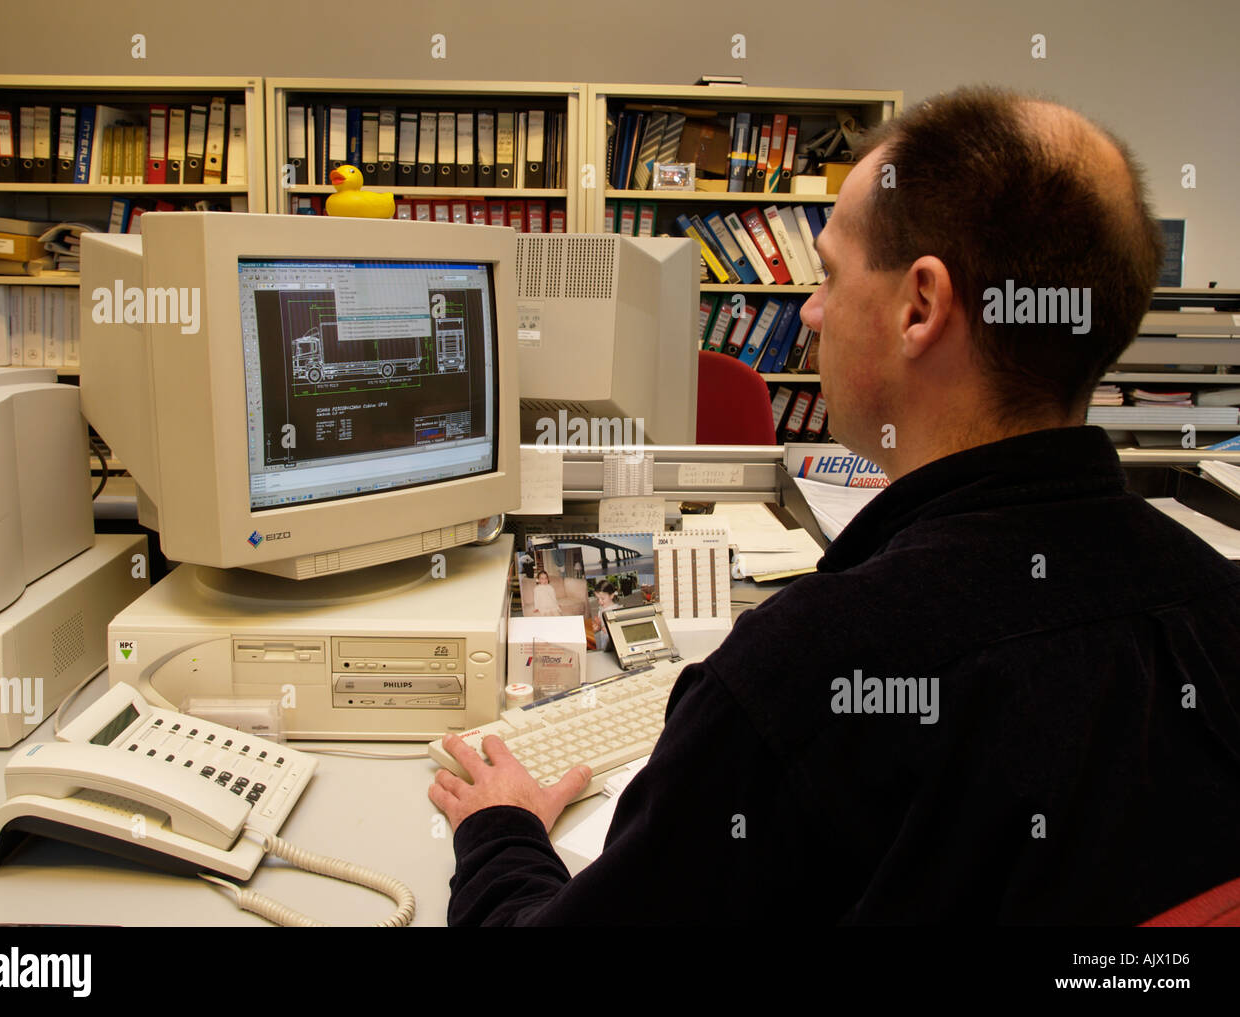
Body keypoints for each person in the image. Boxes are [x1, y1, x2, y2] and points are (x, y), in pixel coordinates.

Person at [428, 86, 1240, 925]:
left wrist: (500, 831)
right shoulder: (1218, 608)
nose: (809, 309)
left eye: (827, 274)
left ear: (919, 306)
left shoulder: (802, 673)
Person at [589, 582, 619, 652]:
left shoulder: (616, 609)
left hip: (613, 641)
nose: (600, 602)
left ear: (611, 596)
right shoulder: (601, 610)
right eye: (597, 599)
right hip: (604, 638)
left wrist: (610, 628)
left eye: (602, 599)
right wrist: (598, 625)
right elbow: (601, 626)